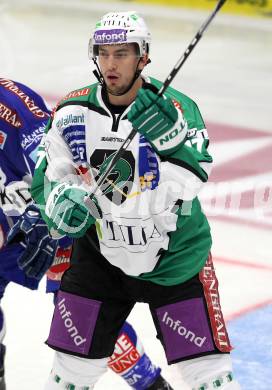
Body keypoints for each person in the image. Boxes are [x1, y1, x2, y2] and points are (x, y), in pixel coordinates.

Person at [31, 11, 241, 390]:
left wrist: (173, 143)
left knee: (210, 379)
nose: (111, 64)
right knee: (67, 375)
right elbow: (49, 176)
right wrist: (62, 201)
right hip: (100, 258)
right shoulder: (72, 110)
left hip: (176, 258)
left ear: (143, 57)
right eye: (104, 53)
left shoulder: (176, 109)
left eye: (122, 53)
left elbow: (191, 182)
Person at [0, 77, 173, 390]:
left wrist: (48, 209)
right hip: (10, 219)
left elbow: (53, 160)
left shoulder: (11, 106)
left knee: (79, 314)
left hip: (54, 215)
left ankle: (152, 385)